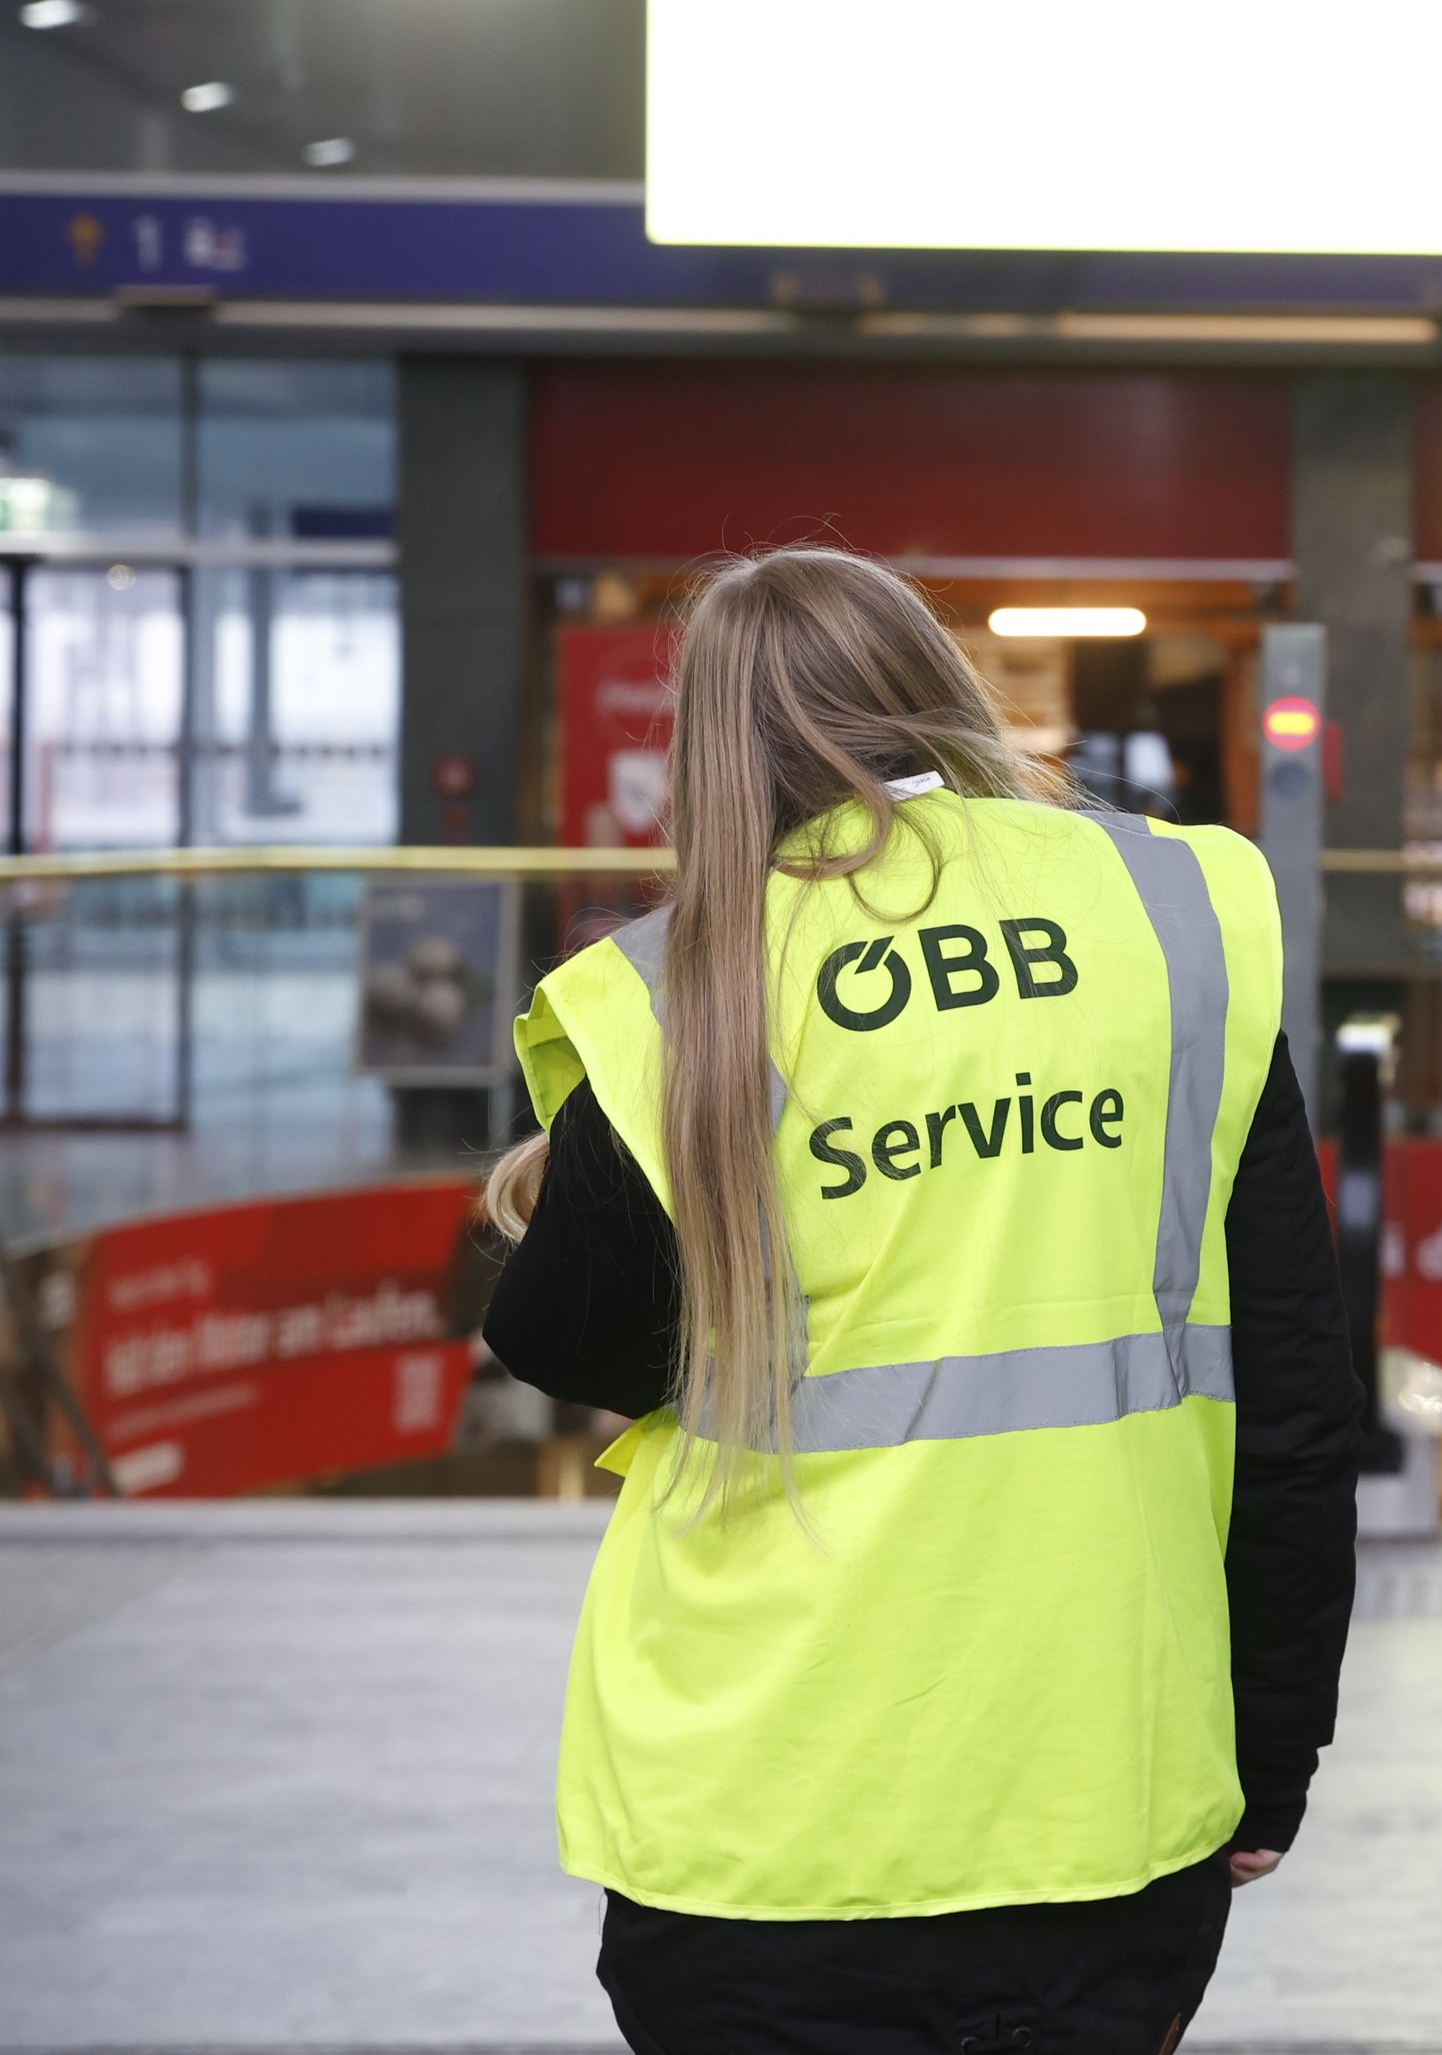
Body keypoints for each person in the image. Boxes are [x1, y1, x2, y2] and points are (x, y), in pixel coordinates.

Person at [480, 548, 1361, 2055]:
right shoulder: (1179, 918)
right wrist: (1269, 1746)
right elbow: (1295, 1394)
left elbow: (560, 1340)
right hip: (1105, 1790)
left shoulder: (687, 987)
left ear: (704, 749)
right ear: (936, 688)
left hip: (758, 1824)